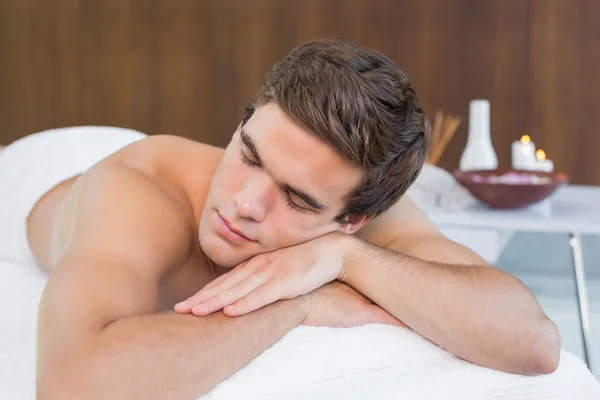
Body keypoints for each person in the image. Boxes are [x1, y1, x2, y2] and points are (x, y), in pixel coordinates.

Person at [0, 38, 559, 399]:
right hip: (39, 172)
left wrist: (345, 259)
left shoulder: (350, 212)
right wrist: (297, 305)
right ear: (243, 123)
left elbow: (534, 341)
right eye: (249, 156)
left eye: (297, 199)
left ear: (353, 220)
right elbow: (73, 385)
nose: (246, 203)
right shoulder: (135, 193)